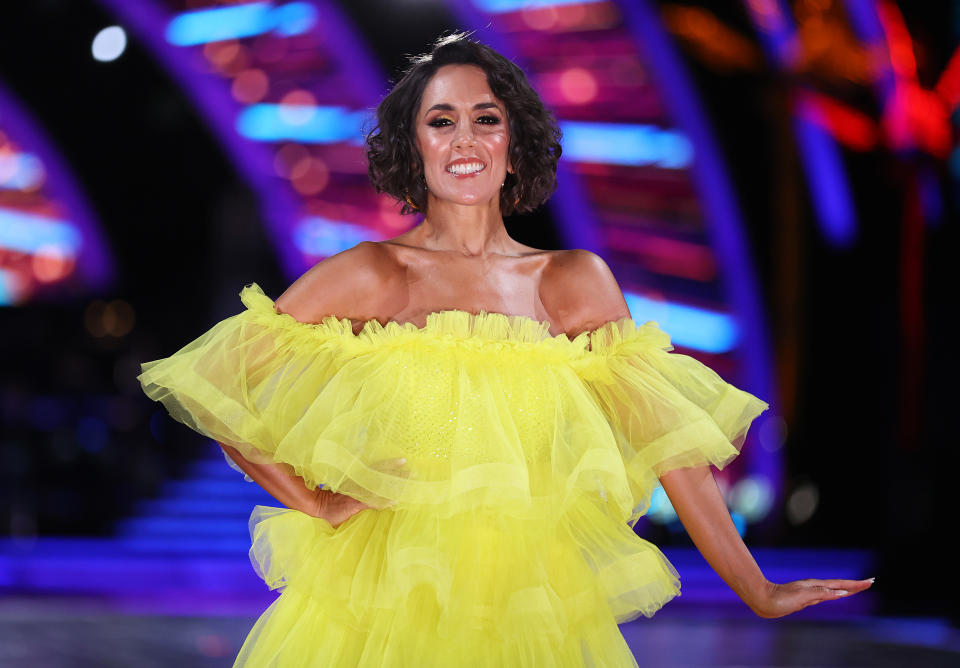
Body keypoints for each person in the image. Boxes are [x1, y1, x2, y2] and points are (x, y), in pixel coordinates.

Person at [138, 31, 873, 667]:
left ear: (512, 144)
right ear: (413, 145)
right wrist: (313, 501)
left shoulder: (573, 283)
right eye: (440, 120)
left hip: (534, 611)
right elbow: (217, 385)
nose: (464, 139)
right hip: (381, 609)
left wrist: (757, 587)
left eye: (485, 119)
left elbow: (670, 451)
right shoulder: (372, 275)